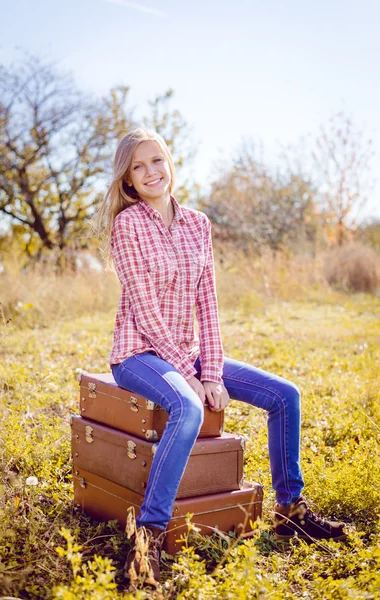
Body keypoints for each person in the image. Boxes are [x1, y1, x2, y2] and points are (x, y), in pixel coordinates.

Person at [92, 127, 346, 584]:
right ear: (127, 179)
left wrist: (209, 369)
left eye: (157, 160)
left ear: (170, 164)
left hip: (188, 354)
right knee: (187, 409)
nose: (150, 172)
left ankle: (291, 510)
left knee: (285, 395)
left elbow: (207, 303)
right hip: (139, 353)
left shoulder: (197, 224)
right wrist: (188, 378)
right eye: (138, 166)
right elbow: (146, 311)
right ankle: (147, 539)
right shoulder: (128, 225)